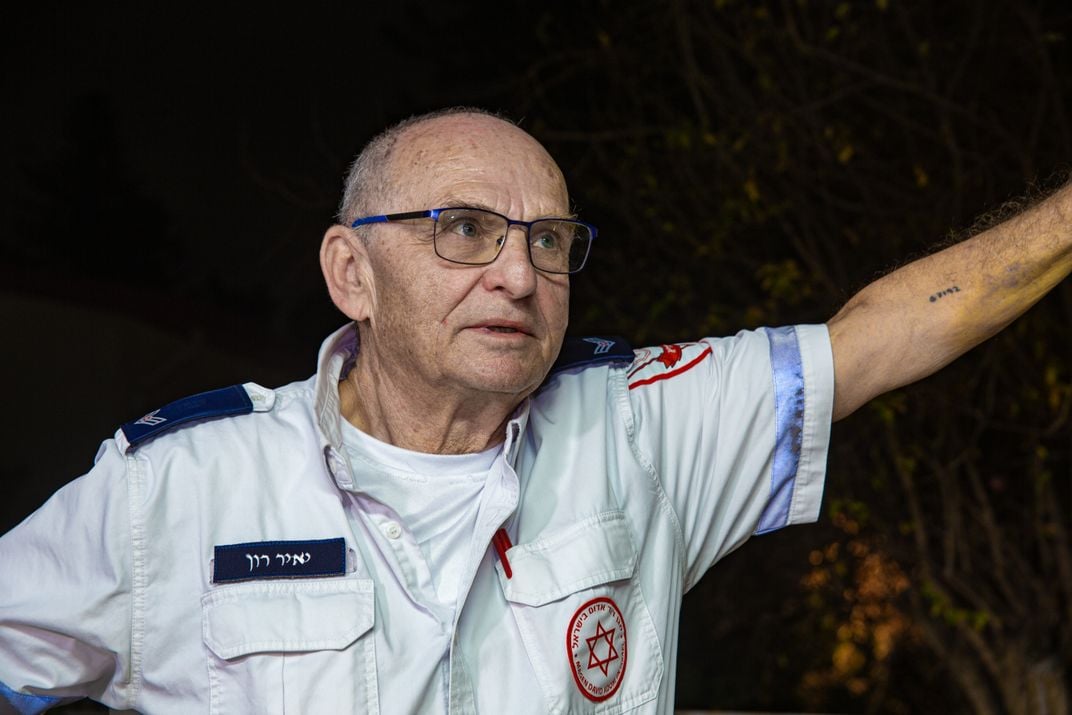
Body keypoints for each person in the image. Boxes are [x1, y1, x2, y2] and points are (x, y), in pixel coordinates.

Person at [0, 107, 1068, 714]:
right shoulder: (177, 488)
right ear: (351, 272)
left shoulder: (639, 431)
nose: (517, 275)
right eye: (463, 230)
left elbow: (894, 330)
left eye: (548, 240)